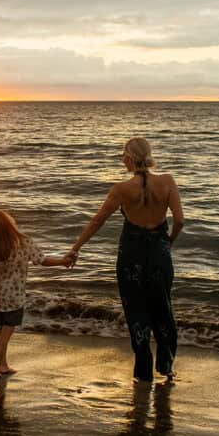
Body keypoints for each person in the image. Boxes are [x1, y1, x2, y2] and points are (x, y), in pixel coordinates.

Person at [67, 137, 184, 381]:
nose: (122, 159)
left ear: (130, 158)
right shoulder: (168, 181)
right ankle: (166, 367)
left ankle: (143, 372)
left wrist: (76, 247)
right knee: (163, 308)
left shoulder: (121, 189)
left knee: (136, 312)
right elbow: (180, 220)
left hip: (131, 256)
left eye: (123, 155)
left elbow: (98, 220)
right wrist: (167, 243)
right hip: (160, 255)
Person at [0, 210, 73, 377]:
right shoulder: (23, 242)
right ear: (9, 223)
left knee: (3, 329)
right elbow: (42, 260)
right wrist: (63, 262)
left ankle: (3, 365)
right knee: (8, 329)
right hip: (14, 295)